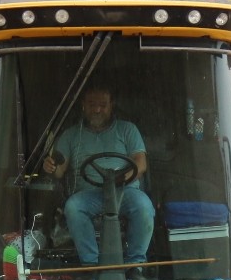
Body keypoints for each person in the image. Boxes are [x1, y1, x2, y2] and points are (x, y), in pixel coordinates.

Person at [41, 88, 153, 266]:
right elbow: (59, 170)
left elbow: (140, 164)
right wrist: (50, 166)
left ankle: (136, 265)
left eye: (103, 105)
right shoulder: (70, 135)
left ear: (111, 106)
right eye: (92, 105)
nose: (97, 110)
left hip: (125, 192)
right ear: (83, 106)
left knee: (144, 207)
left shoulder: (128, 130)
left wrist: (120, 179)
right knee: (73, 207)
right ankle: (90, 265)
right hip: (89, 194)